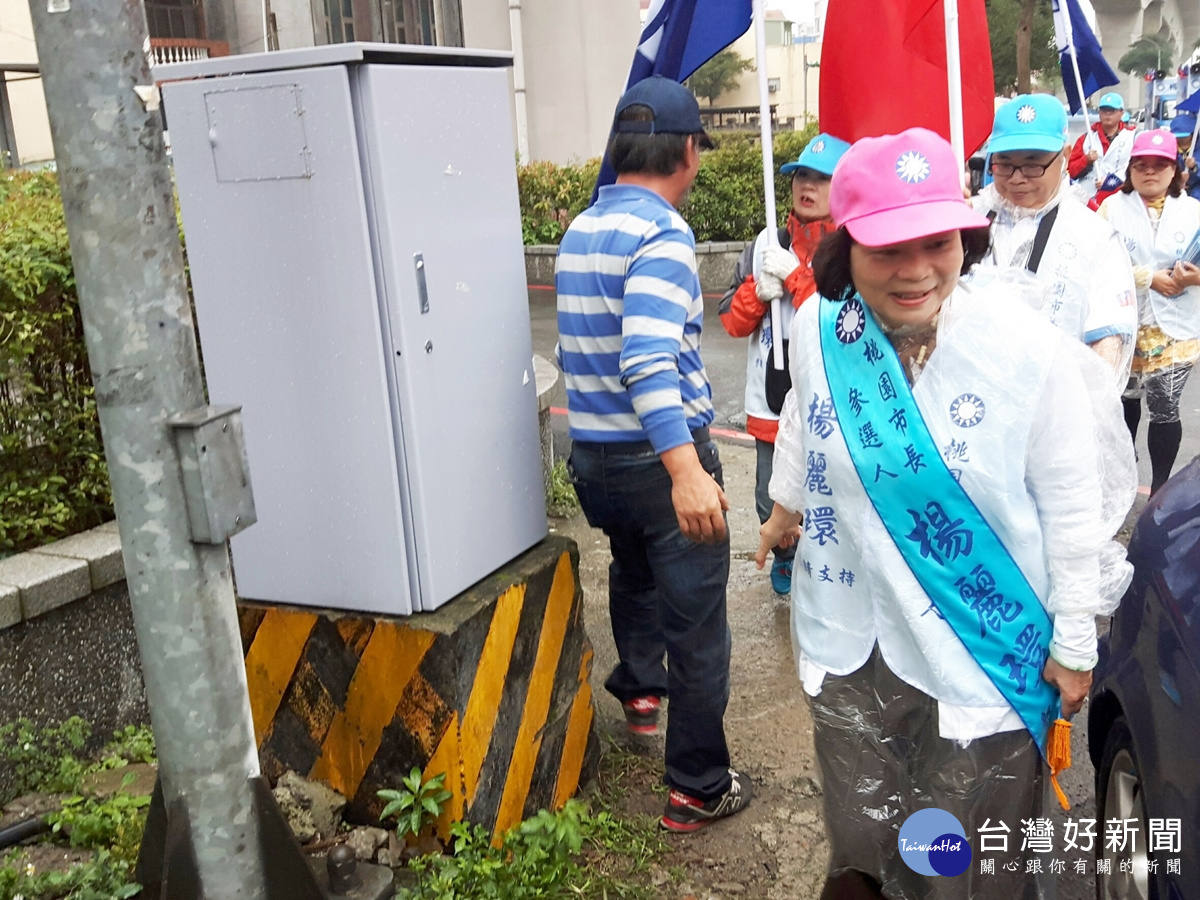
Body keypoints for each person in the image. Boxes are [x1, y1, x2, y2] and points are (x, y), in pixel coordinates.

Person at [756, 128, 1136, 898]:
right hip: (849, 637)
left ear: (965, 236)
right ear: (846, 248)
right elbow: (804, 418)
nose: (916, 270)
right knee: (863, 835)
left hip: (978, 653)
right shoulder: (821, 329)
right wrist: (783, 509)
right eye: (888, 249)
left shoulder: (1025, 352)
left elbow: (1072, 505)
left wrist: (1072, 638)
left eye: (936, 242)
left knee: (963, 856)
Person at [555, 75, 751, 833]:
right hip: (656, 457)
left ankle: (640, 692)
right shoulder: (662, 235)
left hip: (596, 461)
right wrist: (686, 471)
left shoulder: (580, 229)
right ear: (689, 152)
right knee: (698, 627)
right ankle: (699, 785)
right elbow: (646, 360)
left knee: (633, 571)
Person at [718, 133, 850, 596]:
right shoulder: (766, 242)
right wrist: (758, 291)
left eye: (820, 177)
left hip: (835, 399)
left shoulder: (856, 246)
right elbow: (732, 323)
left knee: (831, 491)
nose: (806, 186)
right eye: (800, 177)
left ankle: (830, 566)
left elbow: (840, 323)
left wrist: (796, 279)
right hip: (771, 401)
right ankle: (788, 559)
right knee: (769, 494)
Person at [973, 93, 1137, 384]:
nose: (1017, 178)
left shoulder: (1092, 235)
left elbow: (1108, 336)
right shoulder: (968, 220)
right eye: (1005, 164)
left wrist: (1084, 408)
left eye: (1033, 164)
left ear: (1062, 157)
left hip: (1054, 406)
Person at [1098, 130, 1200, 493]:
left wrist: (1194, 278)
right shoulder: (1111, 208)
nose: (1150, 172)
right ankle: (1125, 475)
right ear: (1130, 170)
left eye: (1159, 165)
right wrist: (1147, 278)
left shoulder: (1193, 211)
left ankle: (1159, 489)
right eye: (1141, 165)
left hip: (1173, 330)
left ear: (1174, 171)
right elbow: (1097, 262)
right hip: (1122, 324)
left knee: (1165, 407)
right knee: (1123, 406)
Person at [1067, 91, 1135, 209]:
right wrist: (1086, 160)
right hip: (1087, 202)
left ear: (1121, 113)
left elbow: (1135, 167)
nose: (1107, 114)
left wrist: (1111, 182)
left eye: (1112, 111)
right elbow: (1071, 171)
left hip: (1120, 200)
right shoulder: (1086, 138)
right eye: (1104, 111)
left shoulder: (1132, 137)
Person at [1170, 112, 1200, 200]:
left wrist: (1195, 167)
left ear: (1193, 134)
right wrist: (1177, 182)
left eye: (1184, 136)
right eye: (1177, 136)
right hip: (1176, 193)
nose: (1181, 139)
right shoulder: (1170, 149)